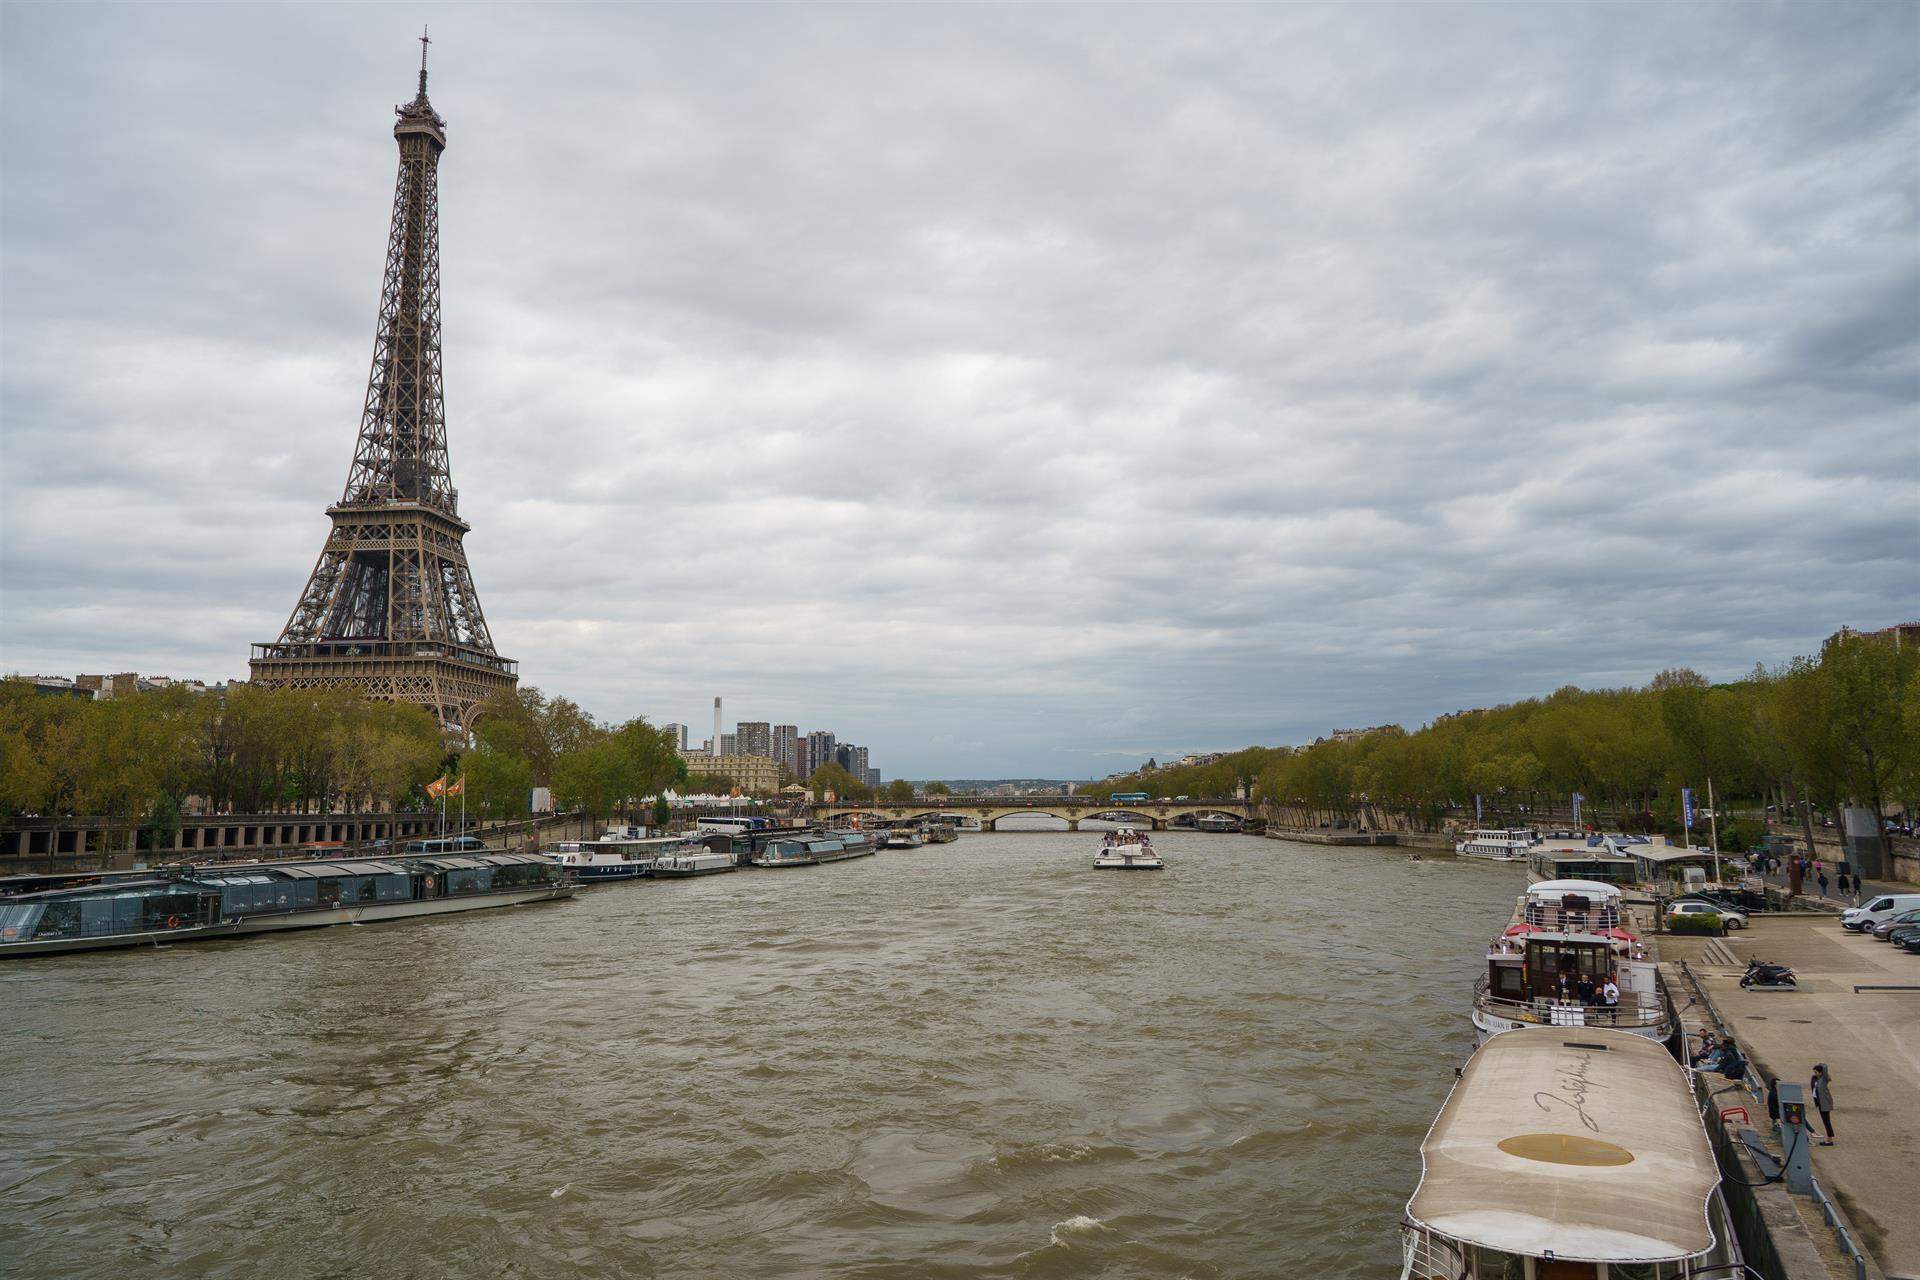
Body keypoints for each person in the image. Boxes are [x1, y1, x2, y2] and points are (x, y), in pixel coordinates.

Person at [1811, 1064, 1836, 1145]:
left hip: (1825, 1103)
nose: (1815, 1073)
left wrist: (1820, 1065)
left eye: (1816, 1072)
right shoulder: (1815, 1078)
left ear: (1821, 1072)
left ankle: (1829, 1140)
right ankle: (1829, 1138)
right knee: (1825, 1121)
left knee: (1826, 1121)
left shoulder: (1824, 1079)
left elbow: (1825, 1066)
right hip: (1820, 1102)